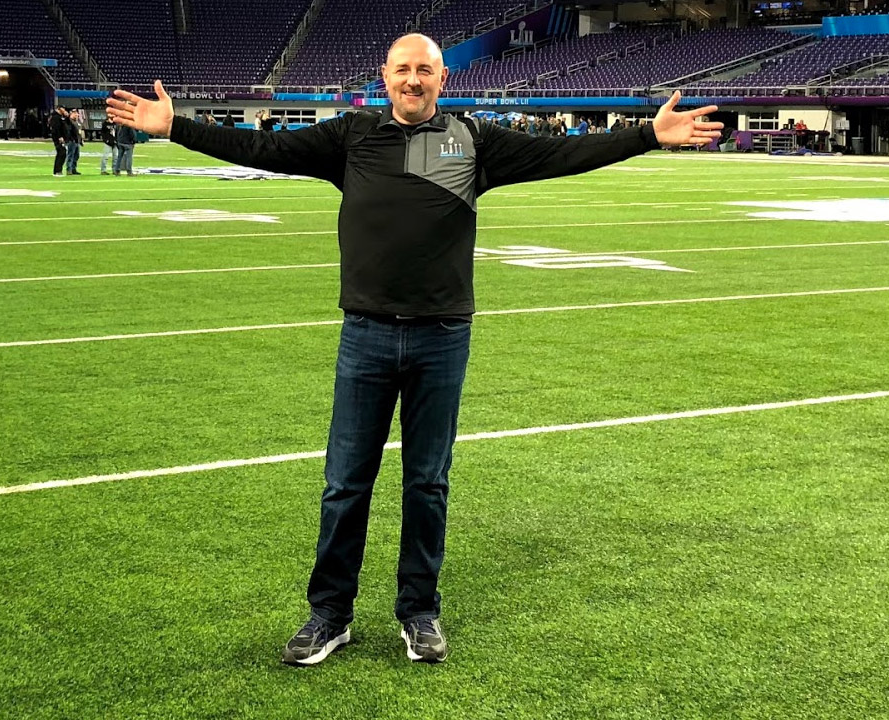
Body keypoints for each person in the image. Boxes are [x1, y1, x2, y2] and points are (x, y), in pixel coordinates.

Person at [107, 32, 719, 667]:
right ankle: (329, 615)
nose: (412, 80)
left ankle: (419, 612)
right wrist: (177, 124)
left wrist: (648, 135)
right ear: (385, 75)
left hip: (441, 336)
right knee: (345, 483)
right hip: (366, 335)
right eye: (402, 70)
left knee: (427, 483)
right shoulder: (351, 137)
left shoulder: (474, 143)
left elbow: (561, 153)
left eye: (424, 70)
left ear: (442, 79)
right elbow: (260, 146)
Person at [49, 106, 69, 176]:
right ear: (59, 109)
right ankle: (57, 170)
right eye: (63, 108)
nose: (64, 110)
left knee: (62, 153)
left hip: (62, 138)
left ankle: (58, 170)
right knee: (61, 153)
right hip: (59, 138)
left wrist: (66, 117)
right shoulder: (55, 117)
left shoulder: (60, 117)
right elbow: (56, 128)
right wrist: (59, 136)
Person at [66, 109, 83, 175]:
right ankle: (69, 170)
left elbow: (79, 132)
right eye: (75, 113)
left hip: (77, 141)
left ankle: (73, 169)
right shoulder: (69, 122)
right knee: (70, 155)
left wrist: (81, 140)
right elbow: (68, 131)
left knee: (76, 156)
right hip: (72, 141)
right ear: (71, 114)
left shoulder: (77, 122)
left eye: (77, 113)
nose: (77, 115)